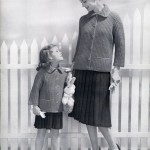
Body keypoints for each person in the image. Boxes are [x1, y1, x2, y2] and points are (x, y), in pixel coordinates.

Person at [69, 0, 125, 150]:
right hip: (81, 72)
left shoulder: (114, 18)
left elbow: (120, 46)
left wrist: (117, 70)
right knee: (87, 114)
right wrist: (73, 69)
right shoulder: (83, 20)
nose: (82, 5)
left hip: (101, 72)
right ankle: (95, 148)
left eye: (84, 1)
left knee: (99, 115)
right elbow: (80, 45)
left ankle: (114, 147)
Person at [28, 44, 68, 150]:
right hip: (43, 109)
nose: (60, 52)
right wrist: (35, 105)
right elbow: (35, 89)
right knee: (41, 133)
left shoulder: (63, 73)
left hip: (57, 109)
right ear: (50, 57)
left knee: (56, 134)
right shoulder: (42, 73)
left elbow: (67, 90)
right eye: (57, 51)